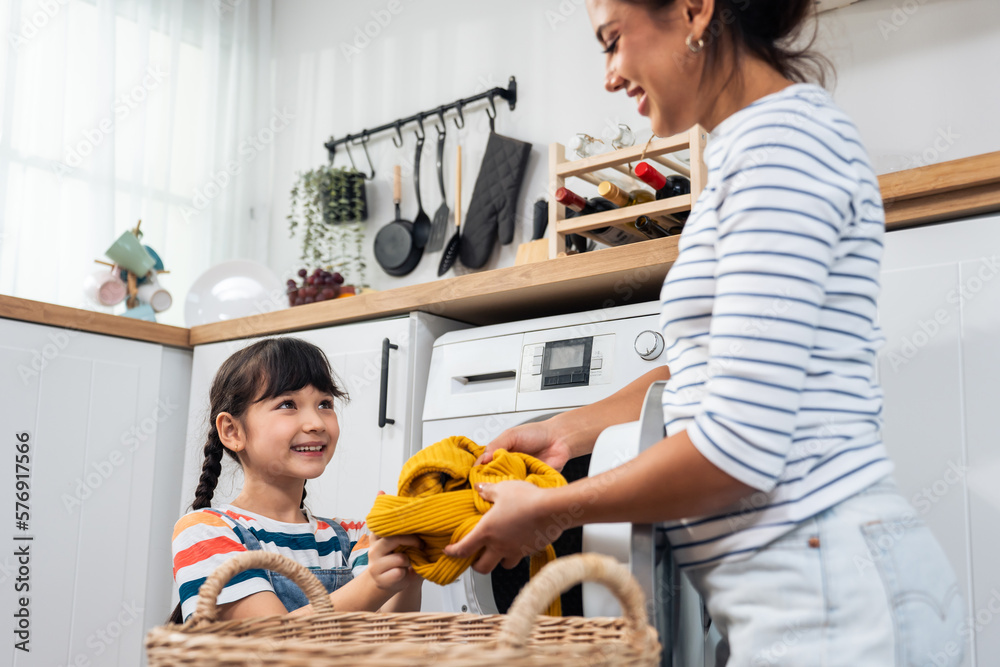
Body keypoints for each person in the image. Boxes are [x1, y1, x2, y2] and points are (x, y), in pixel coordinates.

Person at [446, 1, 965, 664]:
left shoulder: (782, 149)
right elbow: (708, 374)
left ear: (693, 10)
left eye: (612, 41)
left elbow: (738, 445)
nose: (609, 75)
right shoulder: (751, 150)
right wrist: (573, 429)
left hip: (837, 602)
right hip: (804, 595)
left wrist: (555, 510)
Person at [169, 337, 421, 623]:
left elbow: (391, 640)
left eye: (325, 403)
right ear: (233, 431)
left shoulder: (354, 537)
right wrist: (375, 582)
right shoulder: (205, 531)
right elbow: (268, 642)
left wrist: (410, 571)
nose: (316, 422)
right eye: (288, 404)